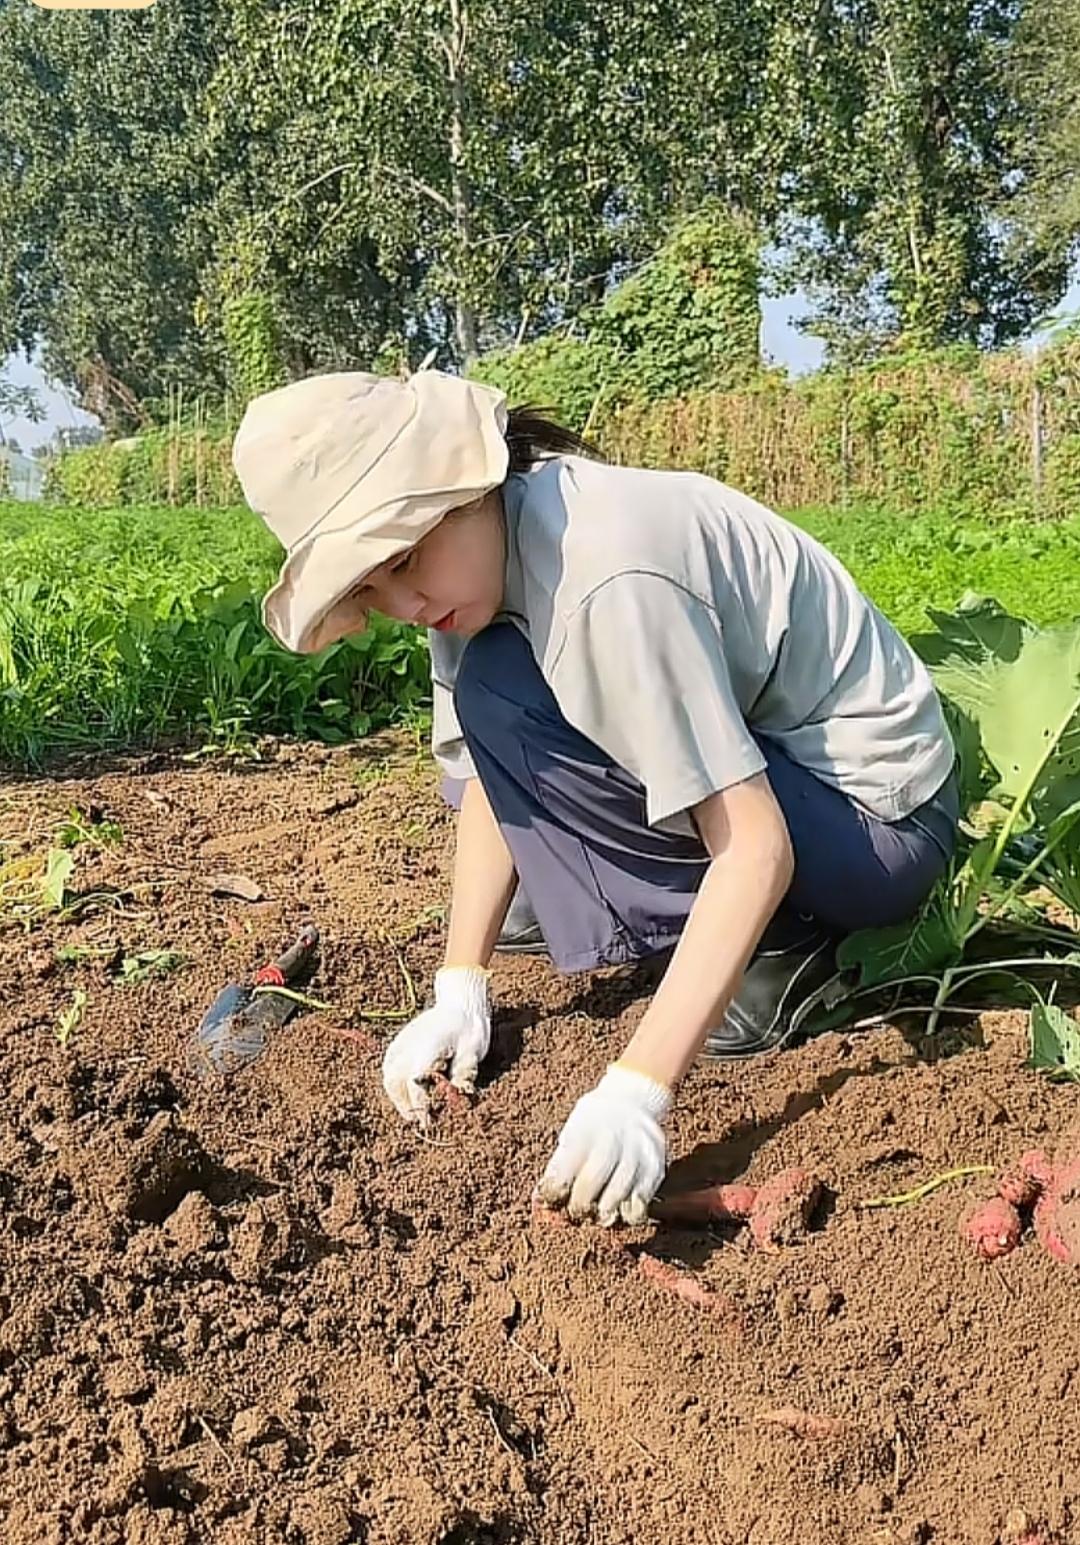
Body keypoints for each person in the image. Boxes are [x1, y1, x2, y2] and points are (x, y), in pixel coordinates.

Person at [232, 368, 959, 1228]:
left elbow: (757, 845)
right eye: (371, 590)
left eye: (404, 559)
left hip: (874, 822)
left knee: (520, 703)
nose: (408, 603)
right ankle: (671, 916)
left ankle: (782, 952)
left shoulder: (606, 575)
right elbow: (484, 780)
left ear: (469, 486)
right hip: (785, 784)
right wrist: (459, 984)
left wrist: (638, 1090)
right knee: (504, 850)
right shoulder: (477, 579)